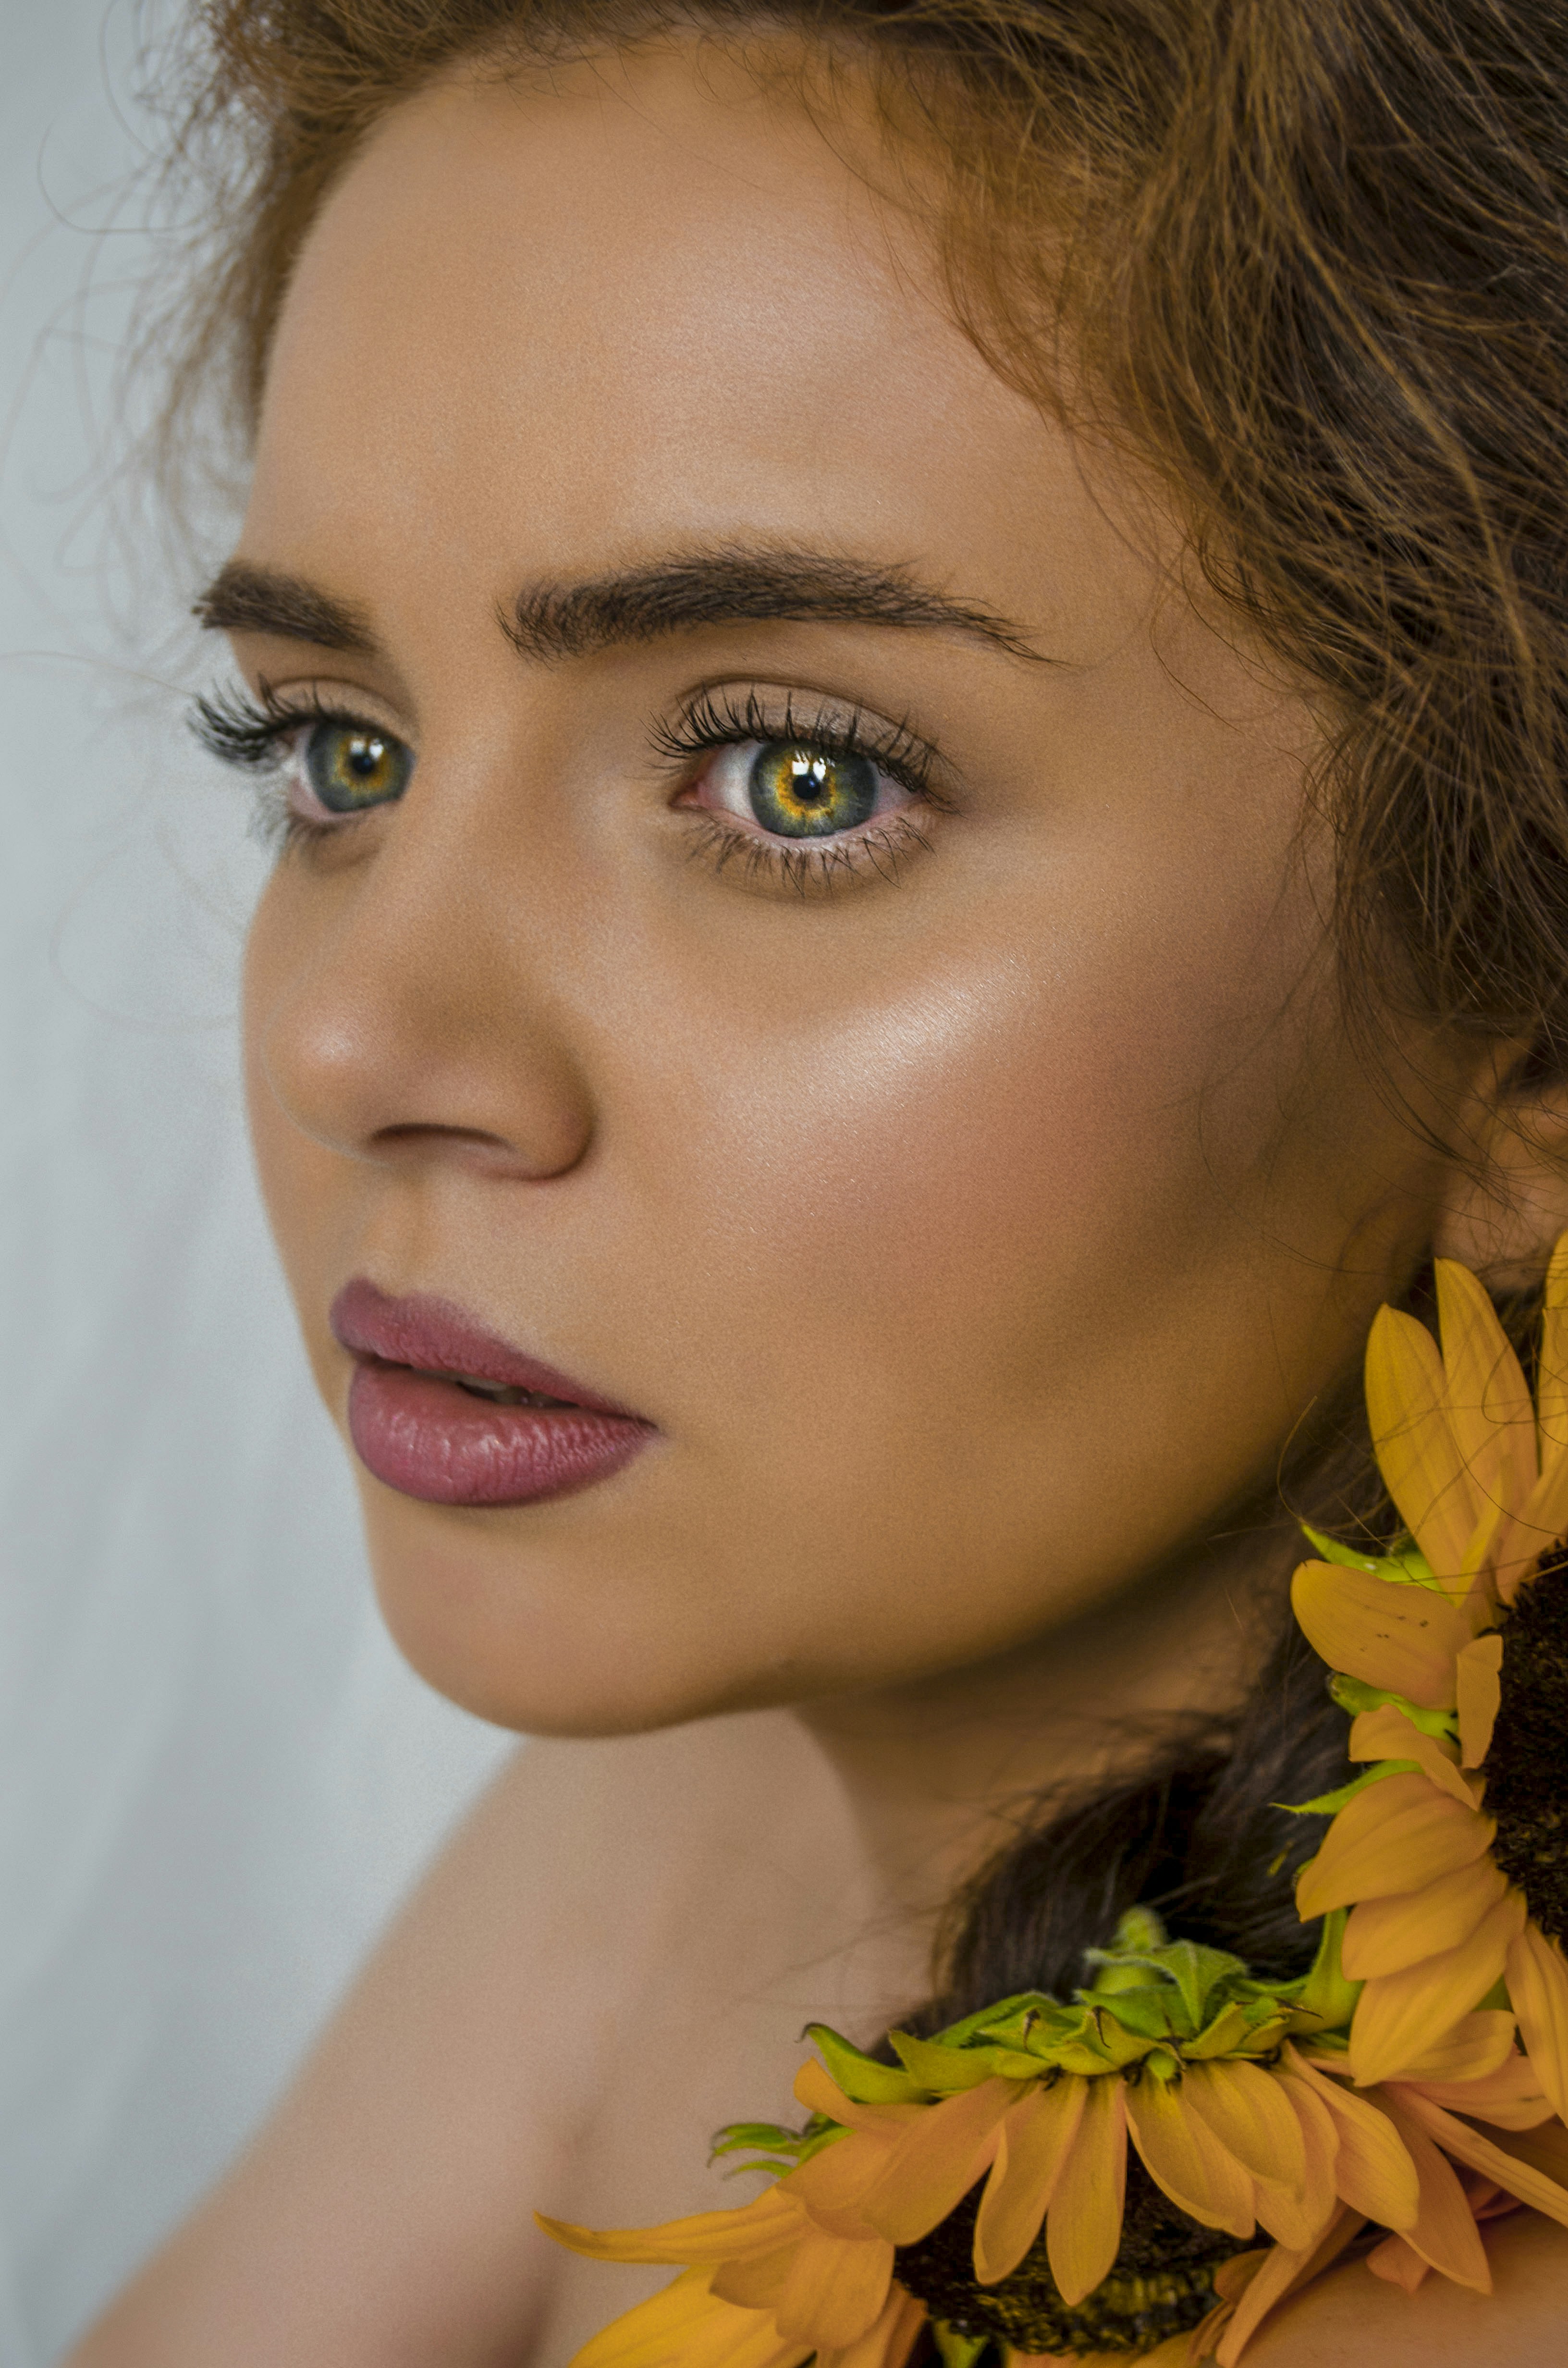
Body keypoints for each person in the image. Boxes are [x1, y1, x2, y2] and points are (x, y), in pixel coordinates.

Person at [65, 2, 1568, 2360]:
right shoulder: (707, 1821)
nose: (359, 1043)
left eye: (792, 779)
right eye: (340, 751)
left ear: (1529, 1038)